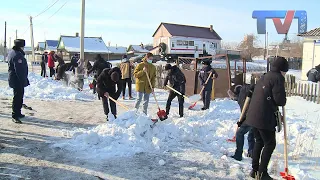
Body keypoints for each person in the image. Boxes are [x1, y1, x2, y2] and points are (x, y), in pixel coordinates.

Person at [245, 56, 288, 180]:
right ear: (282, 69)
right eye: (285, 71)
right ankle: (262, 173)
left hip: (254, 115)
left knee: (259, 141)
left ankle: (255, 170)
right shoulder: (278, 78)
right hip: (264, 117)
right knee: (270, 143)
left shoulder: (265, 76)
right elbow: (280, 100)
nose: (285, 73)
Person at [230, 83, 255, 161]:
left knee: (240, 133)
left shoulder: (242, 96)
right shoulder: (248, 89)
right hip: (259, 115)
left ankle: (238, 155)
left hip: (252, 116)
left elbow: (245, 110)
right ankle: (252, 152)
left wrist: (241, 121)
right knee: (252, 132)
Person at [8, 39, 30, 123]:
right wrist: (23, 80)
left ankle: (18, 112)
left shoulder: (12, 52)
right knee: (18, 97)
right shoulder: (18, 55)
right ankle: (15, 114)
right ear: (21, 46)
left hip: (15, 79)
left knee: (18, 96)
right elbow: (19, 70)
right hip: (17, 80)